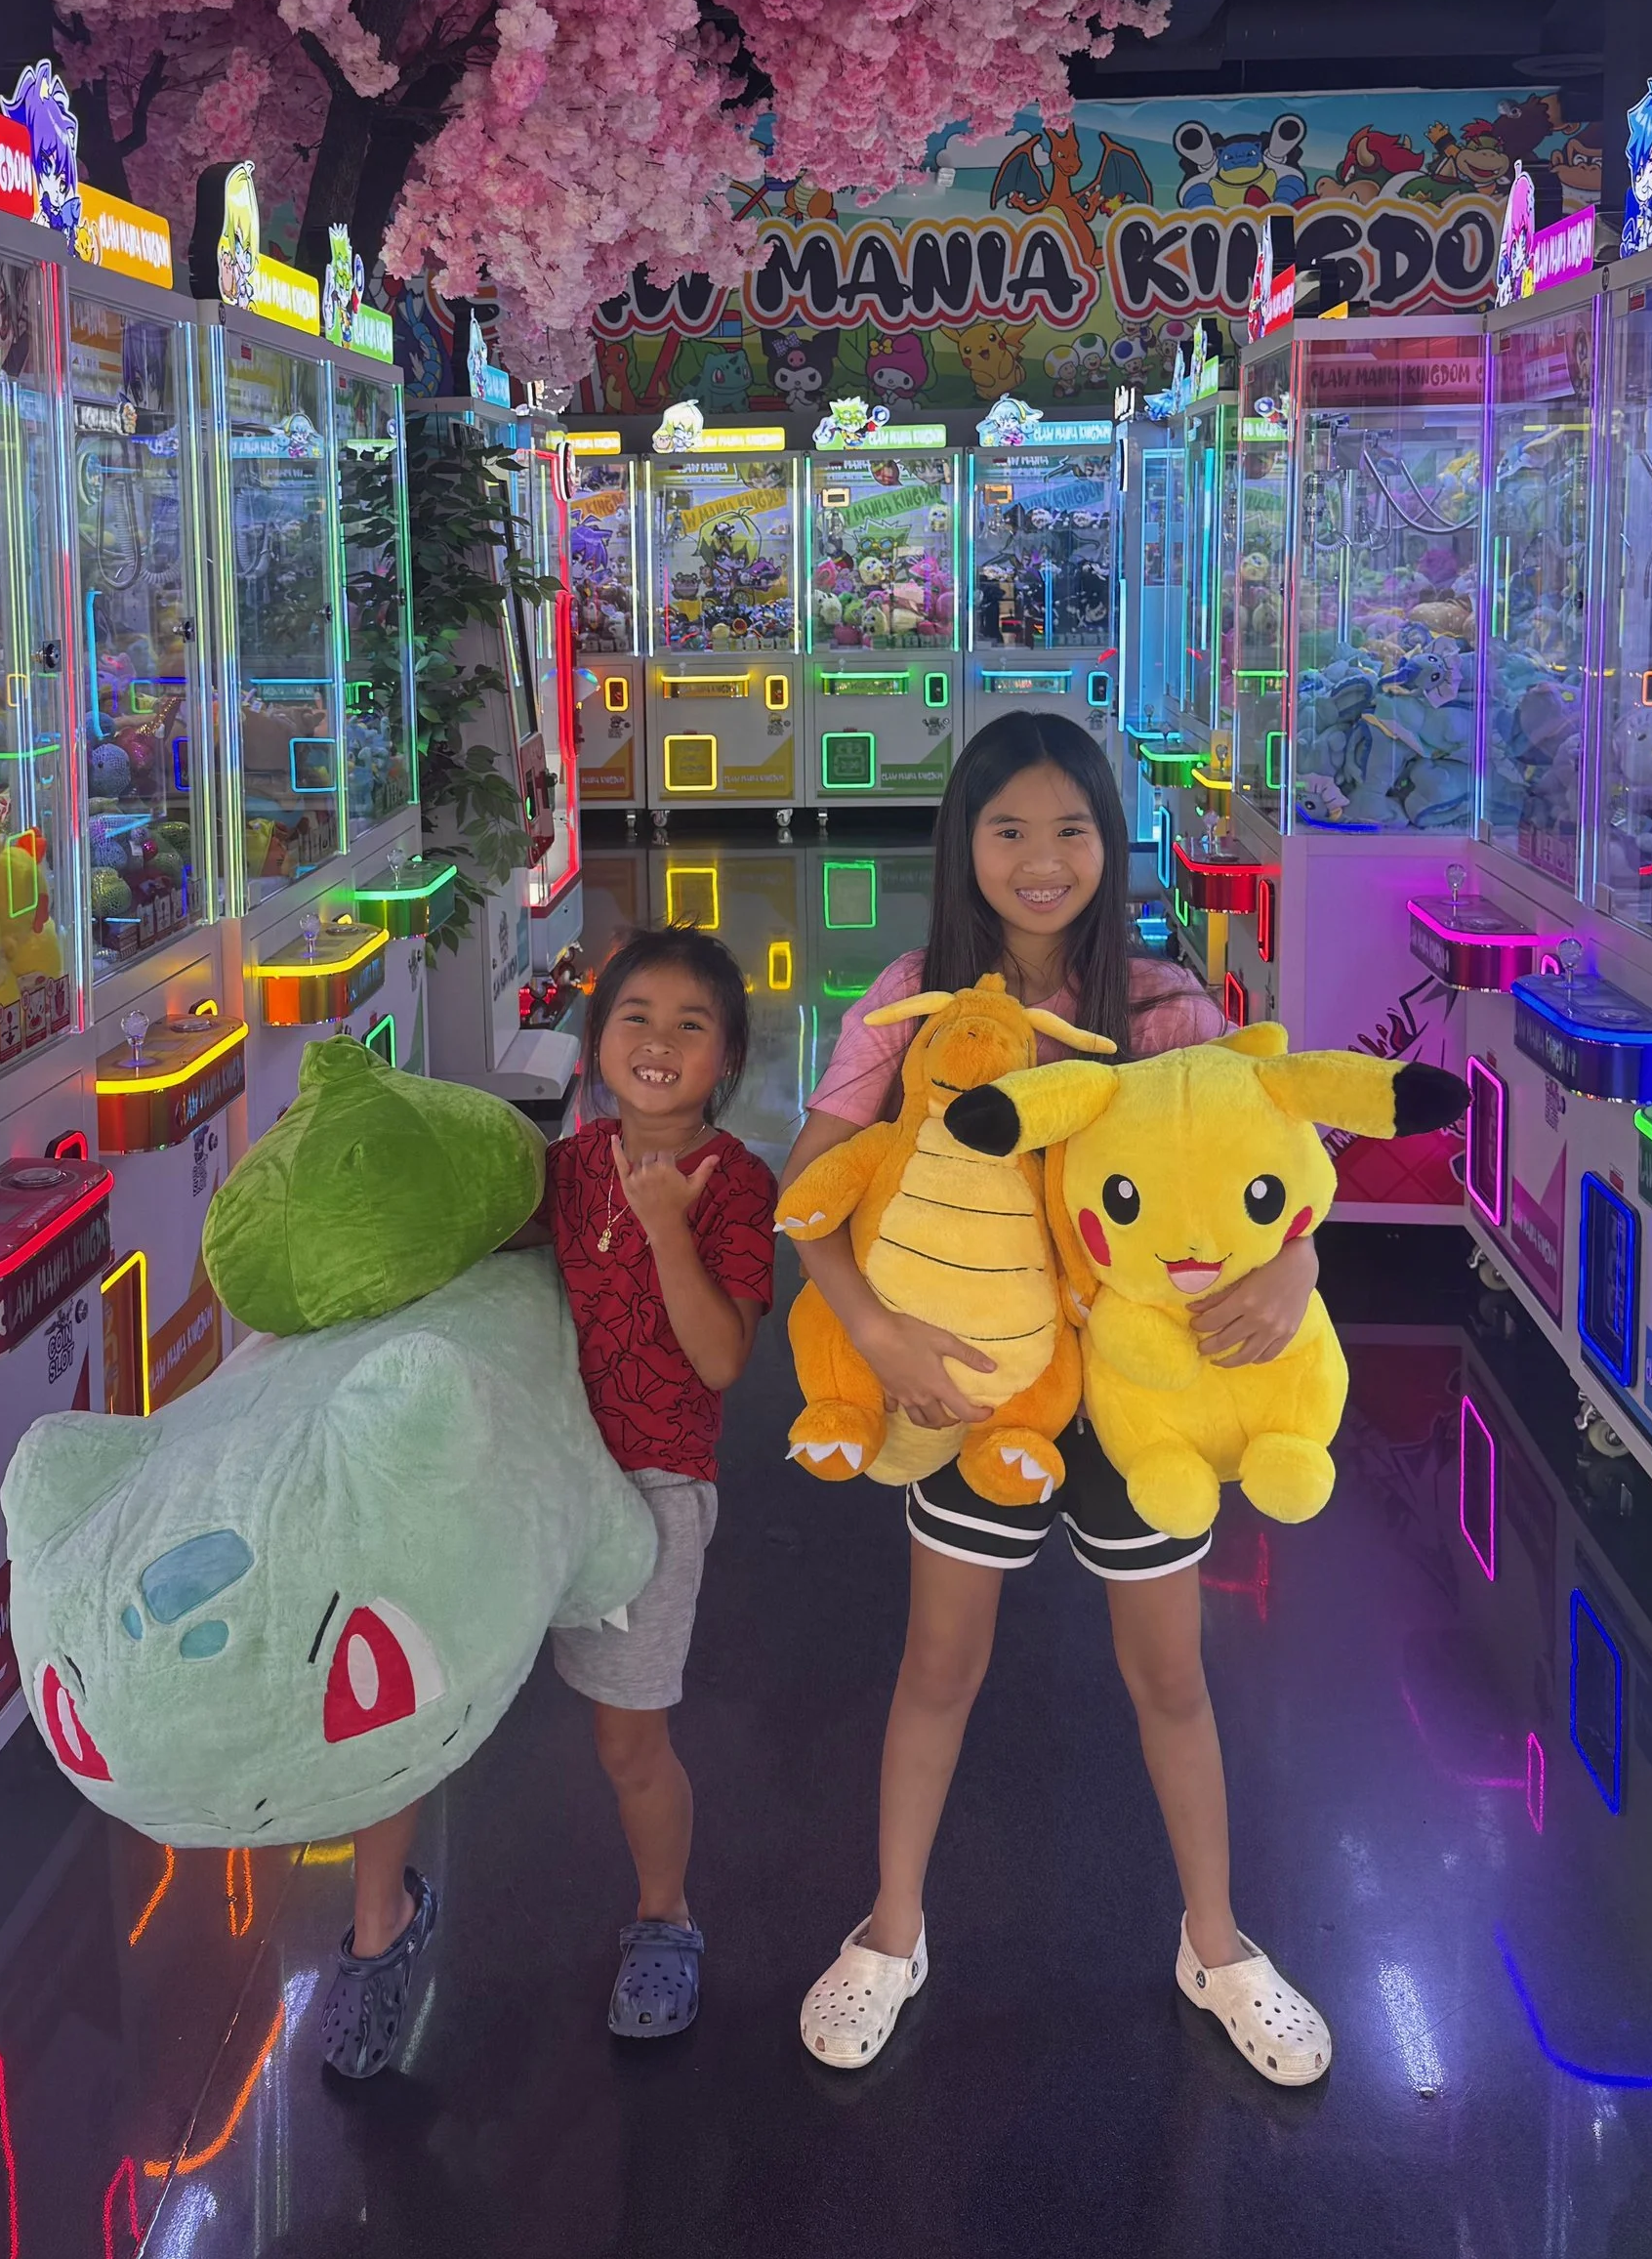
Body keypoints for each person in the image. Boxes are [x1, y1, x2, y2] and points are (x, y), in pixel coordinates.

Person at [786, 709, 1333, 2084]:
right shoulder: (914, 1000)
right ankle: (891, 1930)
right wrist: (874, 1325)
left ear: (1113, 841)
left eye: (1071, 829)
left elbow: (1283, 1171)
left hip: (1140, 1406)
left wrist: (1302, 1263)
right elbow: (812, 1190)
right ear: (961, 842)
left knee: (1169, 1677)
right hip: (979, 1390)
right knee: (939, 1664)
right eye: (1009, 829)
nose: (1042, 861)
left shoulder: (1167, 1007)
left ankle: (1217, 1943)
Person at [318, 926, 777, 2076]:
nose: (660, 1043)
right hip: (521, 1472)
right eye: (636, 1018)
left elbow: (720, 1358)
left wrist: (669, 1222)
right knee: (408, 1720)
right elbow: (480, 1251)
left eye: (690, 1025)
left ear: (725, 1057)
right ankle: (378, 1931)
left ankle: (664, 1919)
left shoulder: (735, 1185)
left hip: (652, 1486)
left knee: (630, 1741)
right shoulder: (563, 1172)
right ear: (595, 1039)